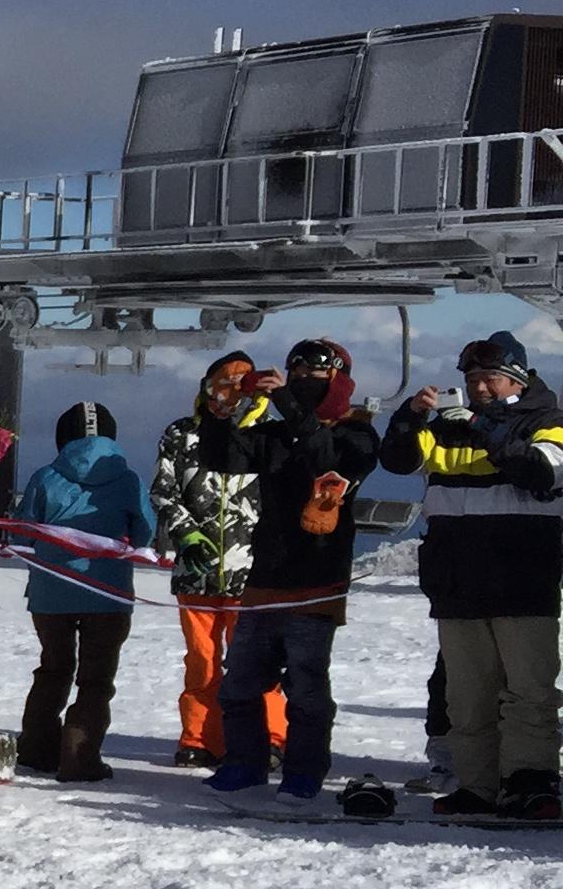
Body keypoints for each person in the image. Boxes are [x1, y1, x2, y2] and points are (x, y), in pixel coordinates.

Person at [378, 330, 563, 822]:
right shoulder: (448, 428)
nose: (480, 387)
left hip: (523, 582)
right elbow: (398, 460)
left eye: (490, 379)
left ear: (517, 379)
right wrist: (410, 416)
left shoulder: (548, 422)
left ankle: (529, 781)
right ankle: (477, 785)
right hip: (458, 583)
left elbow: (543, 473)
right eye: (473, 379)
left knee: (529, 693)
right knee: (467, 697)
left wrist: (484, 429)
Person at [207, 336, 381, 804]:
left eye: (314, 372)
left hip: (318, 579)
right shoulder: (277, 432)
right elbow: (223, 458)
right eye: (296, 371)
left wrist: (284, 399)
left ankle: (304, 771)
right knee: (240, 680)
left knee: (306, 686)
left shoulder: (356, 434)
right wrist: (223, 407)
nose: (303, 378)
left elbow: (324, 458)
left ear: (338, 378)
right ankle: (244, 762)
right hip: (266, 577)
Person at [149, 350, 282, 769]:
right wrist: (186, 534)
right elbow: (163, 491)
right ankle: (199, 739)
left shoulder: (270, 433)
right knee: (202, 663)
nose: (231, 392)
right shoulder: (182, 433)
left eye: (242, 384)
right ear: (207, 387)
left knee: (256, 662)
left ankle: (268, 738)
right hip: (197, 572)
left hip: (254, 574)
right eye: (223, 383)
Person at [10, 401, 154, 783]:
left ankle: (37, 749)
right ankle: (79, 757)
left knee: (53, 669)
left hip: (50, 592)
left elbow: (23, 532)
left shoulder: (45, 477)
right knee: (96, 679)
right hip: (107, 591)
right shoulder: (128, 481)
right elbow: (145, 532)